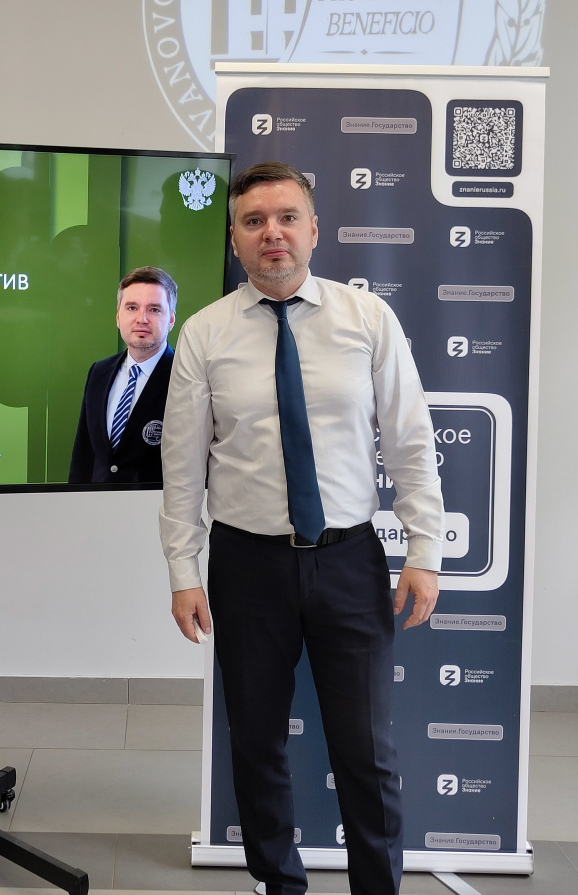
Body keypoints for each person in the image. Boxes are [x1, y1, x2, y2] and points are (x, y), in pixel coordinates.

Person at [159, 162, 444, 895]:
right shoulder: (204, 334)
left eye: (287, 217)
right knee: (256, 745)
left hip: (349, 562)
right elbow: (182, 467)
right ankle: (279, 886)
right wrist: (184, 571)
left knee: (366, 752)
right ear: (234, 239)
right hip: (246, 566)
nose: (272, 233)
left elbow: (410, 440)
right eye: (254, 222)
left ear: (314, 230)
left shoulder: (366, 319)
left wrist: (424, 549)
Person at [69, 266, 178, 484]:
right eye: (132, 308)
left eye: (154, 309)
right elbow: (83, 456)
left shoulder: (186, 378)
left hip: (155, 504)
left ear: (171, 320)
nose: (142, 319)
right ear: (118, 317)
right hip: (97, 503)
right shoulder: (99, 372)